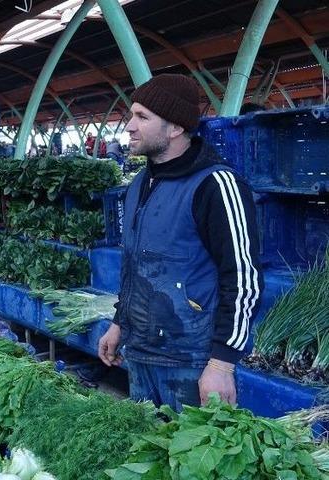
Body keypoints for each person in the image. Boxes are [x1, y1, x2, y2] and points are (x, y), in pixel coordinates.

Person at [97, 74, 264, 411]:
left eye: (142, 117)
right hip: (140, 354)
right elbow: (135, 265)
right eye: (132, 115)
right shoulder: (139, 183)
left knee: (189, 445)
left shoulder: (216, 185)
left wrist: (221, 364)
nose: (129, 126)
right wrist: (119, 323)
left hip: (192, 363)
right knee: (146, 443)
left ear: (175, 127)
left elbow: (243, 278)